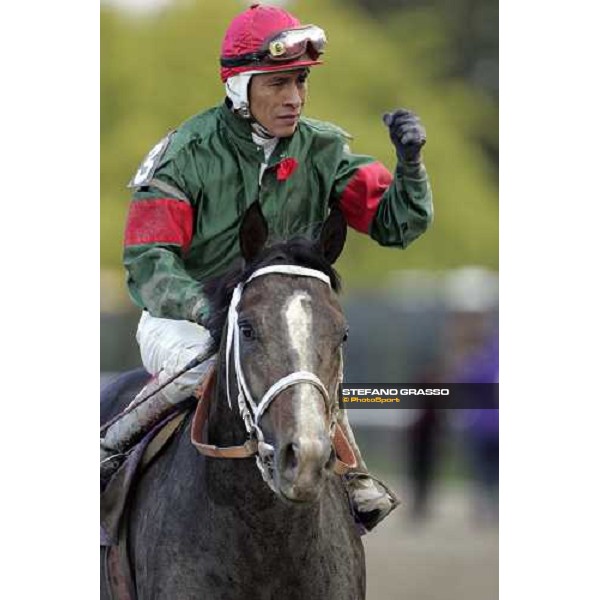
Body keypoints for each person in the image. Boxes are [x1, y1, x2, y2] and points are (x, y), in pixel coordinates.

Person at [101, 3, 433, 532]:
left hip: (278, 317)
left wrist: (411, 167)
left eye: (300, 81)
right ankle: (106, 452)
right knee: (215, 366)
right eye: (278, 83)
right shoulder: (184, 153)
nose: (294, 98)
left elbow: (397, 226)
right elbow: (147, 260)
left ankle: (352, 475)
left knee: (304, 362)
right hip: (187, 320)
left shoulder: (323, 148)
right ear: (239, 86)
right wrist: (206, 308)